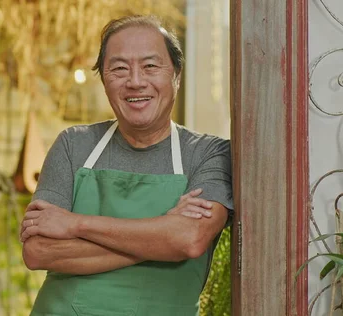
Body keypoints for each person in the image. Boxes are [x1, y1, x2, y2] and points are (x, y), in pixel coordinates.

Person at [19, 14, 233, 316]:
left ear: (176, 75)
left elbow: (190, 239)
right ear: (104, 79)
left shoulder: (209, 153)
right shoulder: (73, 145)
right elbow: (37, 251)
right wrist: (162, 238)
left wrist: (76, 224)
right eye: (119, 69)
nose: (135, 81)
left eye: (150, 66)